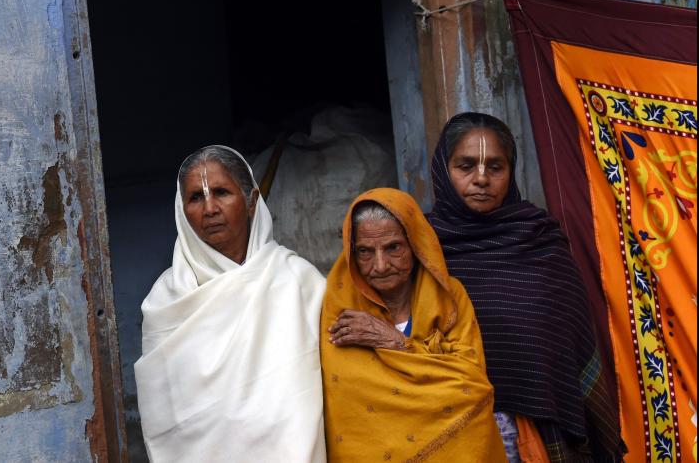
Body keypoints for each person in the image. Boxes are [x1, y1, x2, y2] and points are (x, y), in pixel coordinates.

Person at [427, 112, 624, 463]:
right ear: (444, 170)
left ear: (510, 172)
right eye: (466, 166)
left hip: (536, 436)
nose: (482, 179)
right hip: (446, 430)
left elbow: (566, 342)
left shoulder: (540, 242)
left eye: (496, 167)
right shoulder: (422, 249)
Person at [134, 145, 326, 462]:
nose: (210, 208)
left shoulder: (298, 281)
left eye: (221, 192)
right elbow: (168, 420)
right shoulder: (166, 301)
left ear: (251, 202)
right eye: (196, 197)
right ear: (181, 211)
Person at [321, 187, 507, 462]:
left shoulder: (449, 297)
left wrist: (395, 343)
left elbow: (472, 386)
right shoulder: (336, 309)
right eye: (364, 252)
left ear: (415, 243)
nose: (381, 265)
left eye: (393, 247)